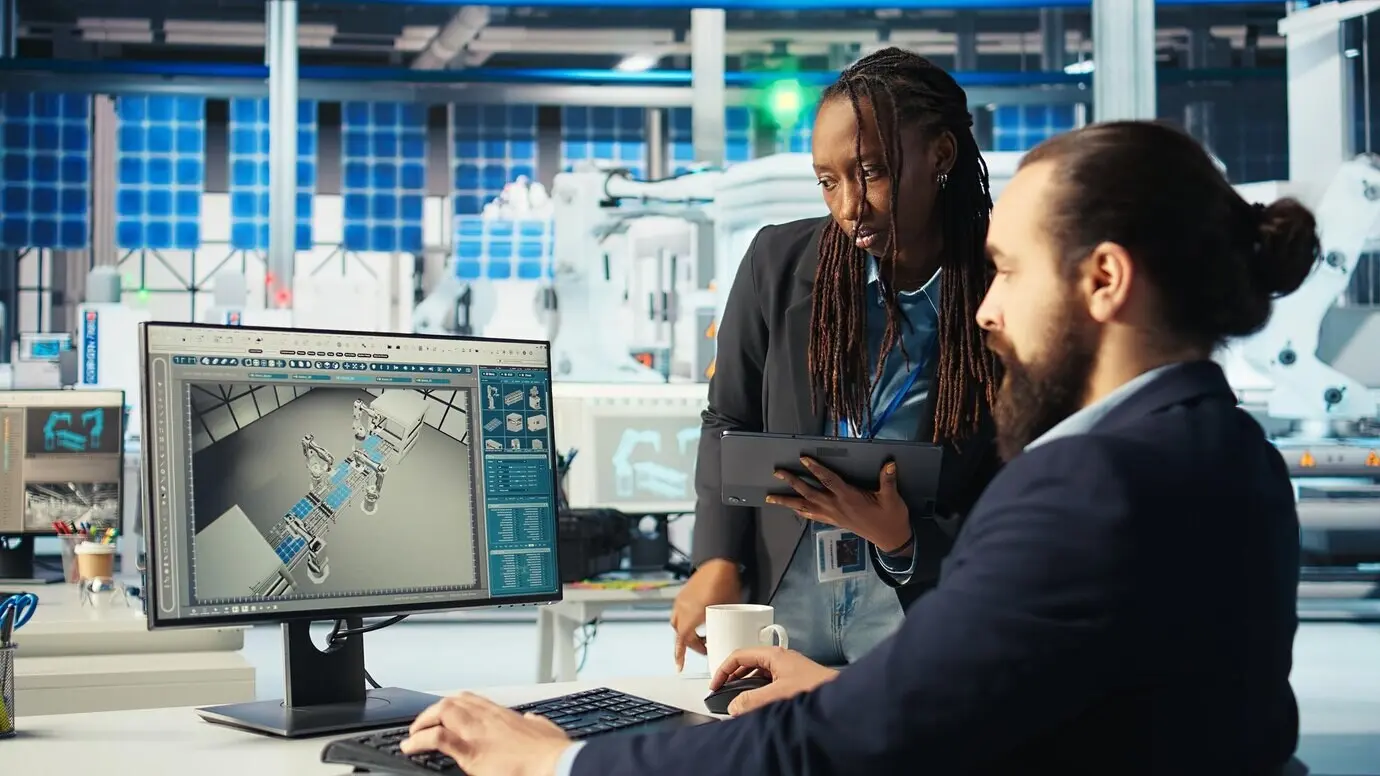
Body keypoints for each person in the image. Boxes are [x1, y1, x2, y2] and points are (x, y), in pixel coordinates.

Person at [398, 120, 1309, 775]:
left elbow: (833, 753)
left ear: (1104, 279)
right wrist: (844, 694)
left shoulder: (1087, 483)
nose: (986, 312)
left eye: (1012, 272)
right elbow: (1076, 706)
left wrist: (557, 762)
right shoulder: (1231, 453)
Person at [672, 47, 1004, 669]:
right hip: (783, 591)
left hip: (919, 600)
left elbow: (1009, 484)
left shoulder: (1000, 290)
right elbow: (728, 419)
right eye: (829, 181)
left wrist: (902, 539)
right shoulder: (776, 264)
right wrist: (715, 559)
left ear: (940, 156)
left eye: (872, 172)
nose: (850, 206)